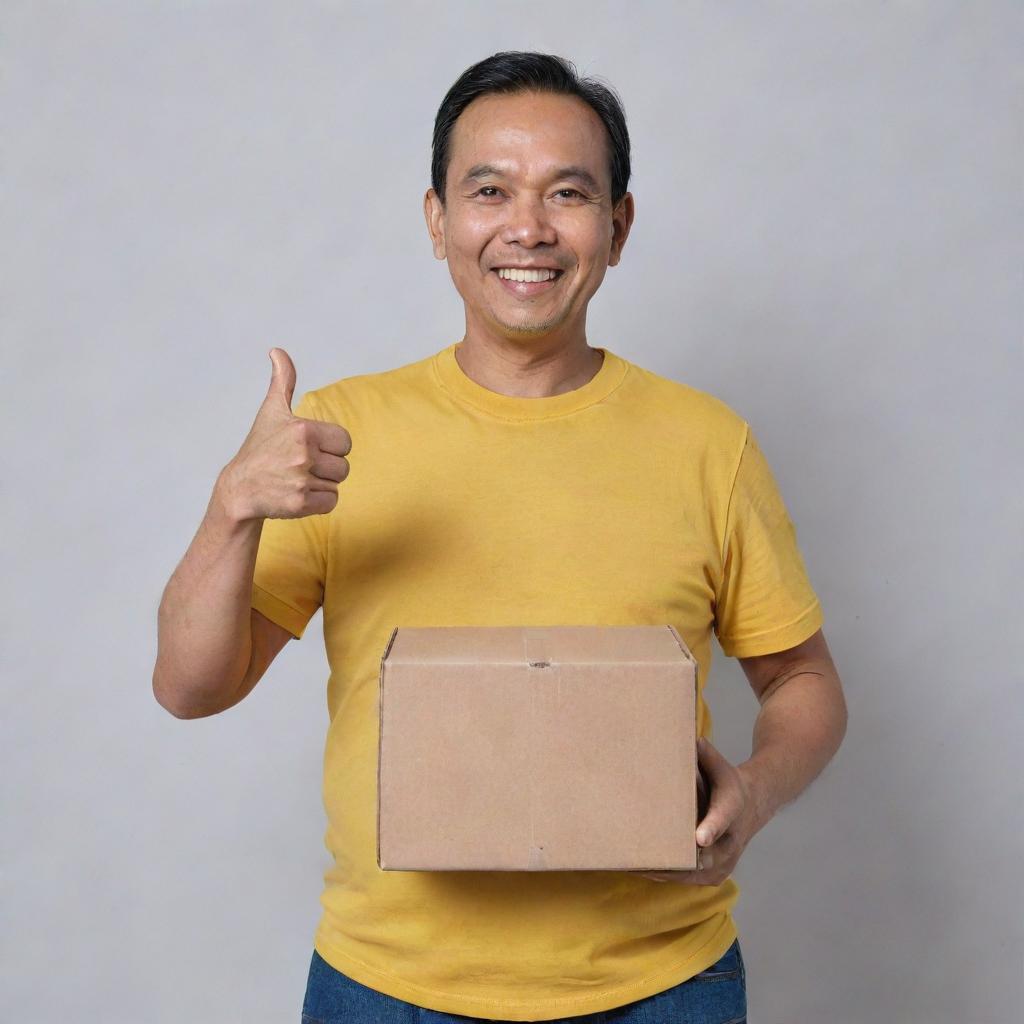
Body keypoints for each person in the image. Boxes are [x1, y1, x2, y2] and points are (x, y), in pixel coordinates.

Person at [153, 51, 847, 1024]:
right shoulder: (342, 432)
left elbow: (802, 682)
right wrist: (230, 507)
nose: (527, 227)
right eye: (489, 190)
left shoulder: (706, 444)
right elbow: (190, 686)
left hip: (660, 983)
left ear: (618, 225)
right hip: (387, 985)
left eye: (568, 193)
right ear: (437, 219)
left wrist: (756, 793)